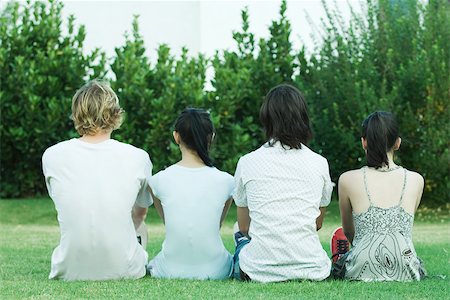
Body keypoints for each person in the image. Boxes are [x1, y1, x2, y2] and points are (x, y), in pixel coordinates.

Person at [42, 80, 152, 281]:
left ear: (77, 114)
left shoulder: (52, 156)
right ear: (116, 114)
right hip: (126, 269)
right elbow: (140, 214)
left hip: (67, 269)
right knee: (139, 228)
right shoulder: (138, 157)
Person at [232, 84, 333, 283]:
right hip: (312, 268)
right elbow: (317, 223)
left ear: (266, 118)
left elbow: (244, 226)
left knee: (237, 229)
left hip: (257, 270)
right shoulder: (320, 163)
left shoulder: (247, 162)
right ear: (303, 118)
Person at [332, 111, 426, 281]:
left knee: (342, 262)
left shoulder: (346, 179)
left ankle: (340, 256)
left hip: (359, 268)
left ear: (364, 142)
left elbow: (348, 231)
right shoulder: (416, 180)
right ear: (397, 143)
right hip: (407, 270)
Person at [147, 108, 234, 280]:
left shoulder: (158, 181)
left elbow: (169, 223)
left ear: (176, 136)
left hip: (168, 270)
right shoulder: (227, 182)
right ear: (211, 138)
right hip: (218, 270)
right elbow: (215, 227)